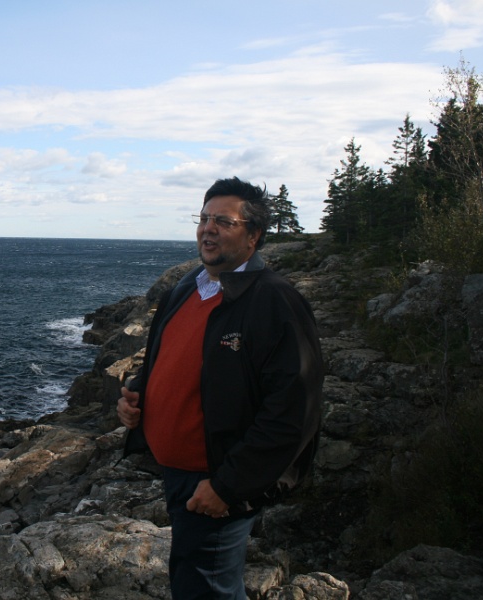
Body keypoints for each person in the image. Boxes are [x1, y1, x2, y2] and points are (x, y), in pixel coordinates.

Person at [117, 176, 323, 600]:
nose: (208, 229)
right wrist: (138, 398)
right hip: (175, 472)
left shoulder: (274, 301)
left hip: (216, 481)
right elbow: (166, 361)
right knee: (197, 582)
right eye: (204, 219)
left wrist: (227, 486)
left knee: (206, 590)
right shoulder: (187, 288)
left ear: (253, 236)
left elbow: (293, 411)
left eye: (224, 222)